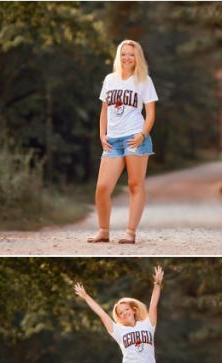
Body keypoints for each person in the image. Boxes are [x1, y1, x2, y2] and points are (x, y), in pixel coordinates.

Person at [88, 39, 158, 244]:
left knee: (135, 185)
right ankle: (103, 231)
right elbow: (104, 111)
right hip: (112, 141)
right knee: (102, 188)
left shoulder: (144, 80)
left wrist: (143, 134)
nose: (127, 58)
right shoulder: (110, 79)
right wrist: (102, 135)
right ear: (119, 56)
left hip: (135, 138)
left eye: (131, 54)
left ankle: (130, 232)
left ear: (138, 58)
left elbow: (151, 113)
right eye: (124, 54)